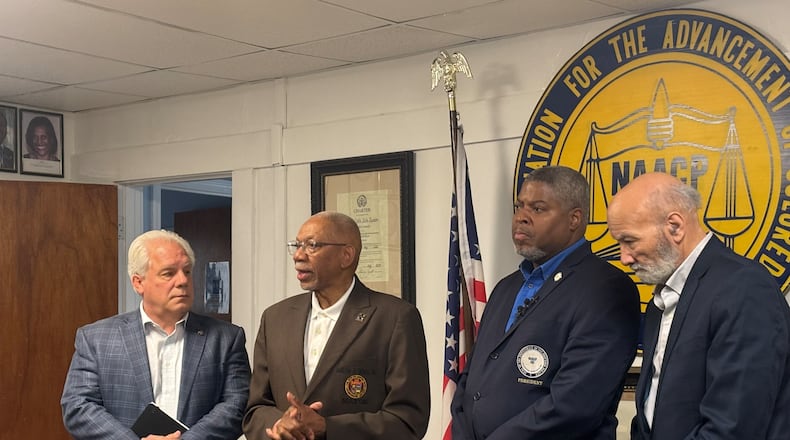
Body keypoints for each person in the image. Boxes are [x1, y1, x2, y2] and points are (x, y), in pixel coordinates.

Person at [451, 165, 640, 439]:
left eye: (538, 209)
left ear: (574, 219)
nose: (521, 218)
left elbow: (576, 404)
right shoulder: (506, 287)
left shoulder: (606, 289)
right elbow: (471, 378)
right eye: (519, 207)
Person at [606, 172, 790, 439]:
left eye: (629, 241)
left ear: (675, 227)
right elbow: (651, 409)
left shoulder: (744, 290)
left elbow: (732, 428)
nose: (623, 258)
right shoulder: (661, 301)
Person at [243, 211, 430, 440]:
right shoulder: (275, 318)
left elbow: (408, 420)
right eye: (296, 245)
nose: (298, 256)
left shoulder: (395, 318)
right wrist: (280, 424)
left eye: (312, 245)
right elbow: (254, 410)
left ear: (346, 255)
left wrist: (327, 427)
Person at [61, 230, 251, 440]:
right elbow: (78, 406)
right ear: (138, 283)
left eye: (187, 271)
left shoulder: (226, 339)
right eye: (169, 273)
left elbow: (237, 404)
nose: (182, 281)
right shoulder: (96, 339)